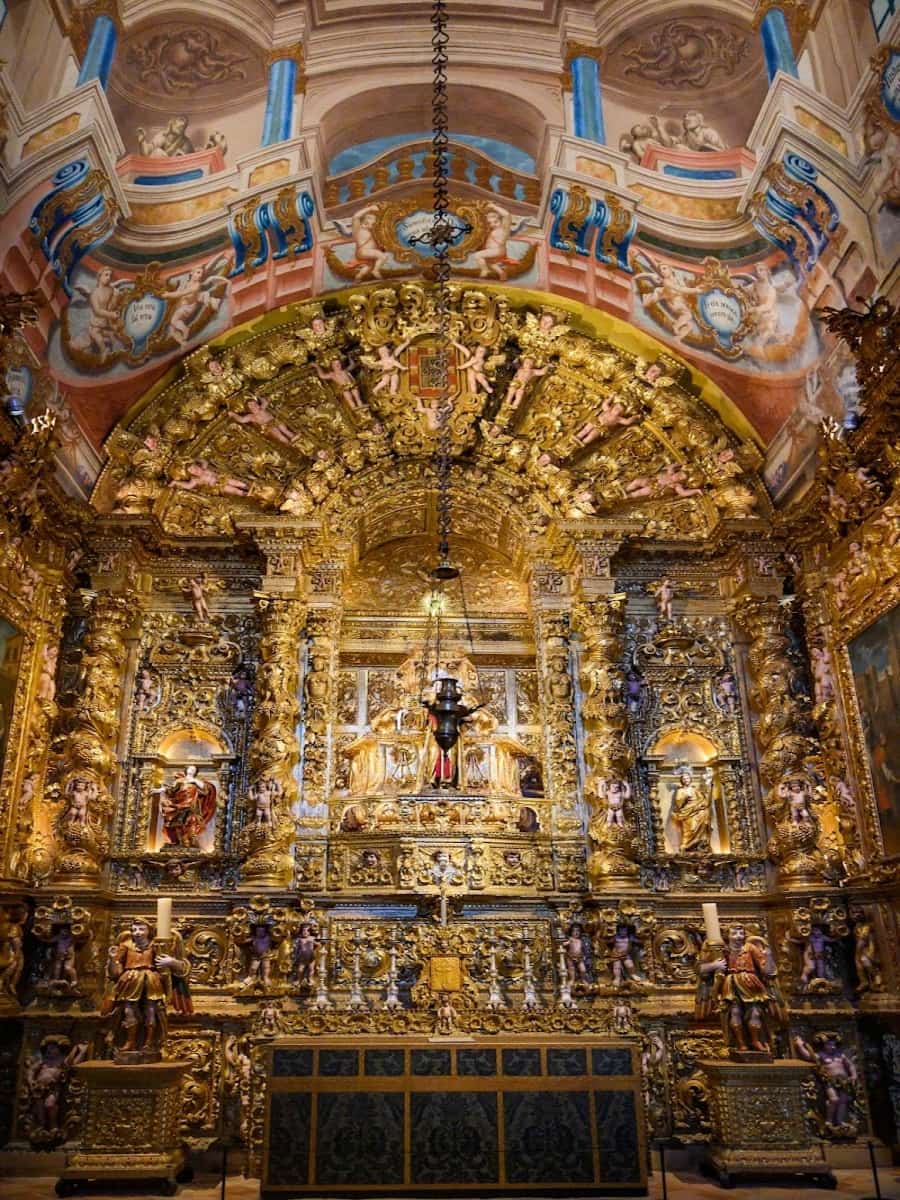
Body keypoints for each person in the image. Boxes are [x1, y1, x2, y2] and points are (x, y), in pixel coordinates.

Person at [104, 918, 191, 1055]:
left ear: (149, 931)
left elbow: (173, 968)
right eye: (134, 930)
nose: (137, 933)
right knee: (128, 1010)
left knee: (151, 1010)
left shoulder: (155, 946)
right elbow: (115, 973)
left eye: (141, 929)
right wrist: (112, 959)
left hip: (151, 980)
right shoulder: (126, 945)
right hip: (130, 980)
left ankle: (149, 1042)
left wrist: (170, 962)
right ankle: (130, 1041)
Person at [697, 923, 785, 1054]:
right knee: (735, 1012)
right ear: (727, 936)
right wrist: (714, 965)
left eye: (741, 933)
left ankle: (755, 1040)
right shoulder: (722, 950)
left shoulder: (750, 948)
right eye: (734, 933)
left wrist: (769, 956)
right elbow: (701, 970)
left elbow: (768, 972)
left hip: (751, 983)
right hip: (731, 983)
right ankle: (740, 1043)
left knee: (755, 1012)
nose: (738, 936)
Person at [151, 764, 217, 848]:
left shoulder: (197, 781)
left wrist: (194, 781)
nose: (192, 770)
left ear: (196, 772)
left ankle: (190, 841)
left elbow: (205, 789)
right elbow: (171, 790)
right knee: (178, 823)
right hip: (179, 804)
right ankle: (180, 841)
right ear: (186, 770)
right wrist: (159, 790)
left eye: (194, 769)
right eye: (190, 768)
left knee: (191, 822)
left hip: (191, 806)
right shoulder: (180, 780)